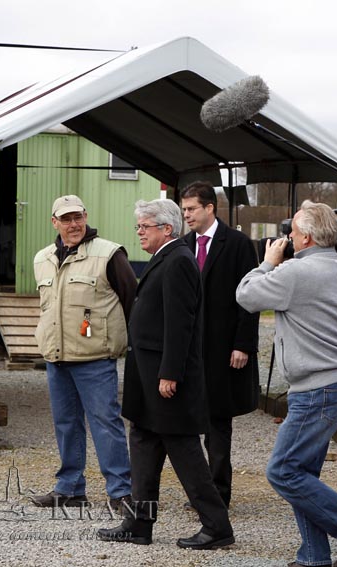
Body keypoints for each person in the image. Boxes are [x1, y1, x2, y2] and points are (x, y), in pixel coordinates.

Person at [236, 200, 337, 567]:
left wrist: (269, 261)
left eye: (292, 233)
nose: (287, 238)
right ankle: (314, 557)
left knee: (283, 471)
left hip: (317, 390)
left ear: (304, 237)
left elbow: (246, 295)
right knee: (303, 476)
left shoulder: (295, 275)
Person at [98, 198, 234, 549]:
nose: (139, 231)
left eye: (145, 226)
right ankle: (139, 523)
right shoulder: (166, 258)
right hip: (148, 377)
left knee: (185, 452)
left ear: (167, 229)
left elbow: (181, 323)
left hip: (166, 379)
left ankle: (217, 526)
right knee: (143, 445)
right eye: (139, 225)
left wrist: (170, 372)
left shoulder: (178, 262)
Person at [31, 194, 134, 511]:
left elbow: (133, 301)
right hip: (57, 358)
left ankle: (120, 492)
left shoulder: (109, 254)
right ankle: (71, 489)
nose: (73, 224)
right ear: (54, 223)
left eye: (78, 217)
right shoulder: (42, 259)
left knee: (106, 424)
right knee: (66, 424)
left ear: (86, 217)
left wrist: (138, 349)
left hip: (95, 358)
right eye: (66, 219)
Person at [180, 181, 260, 509]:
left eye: (192, 209)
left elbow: (250, 298)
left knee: (217, 425)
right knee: (188, 423)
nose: (187, 215)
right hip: (191, 353)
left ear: (210, 208)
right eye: (184, 210)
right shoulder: (183, 245)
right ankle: (199, 490)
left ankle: (217, 494)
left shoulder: (238, 244)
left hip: (223, 349)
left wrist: (243, 344)